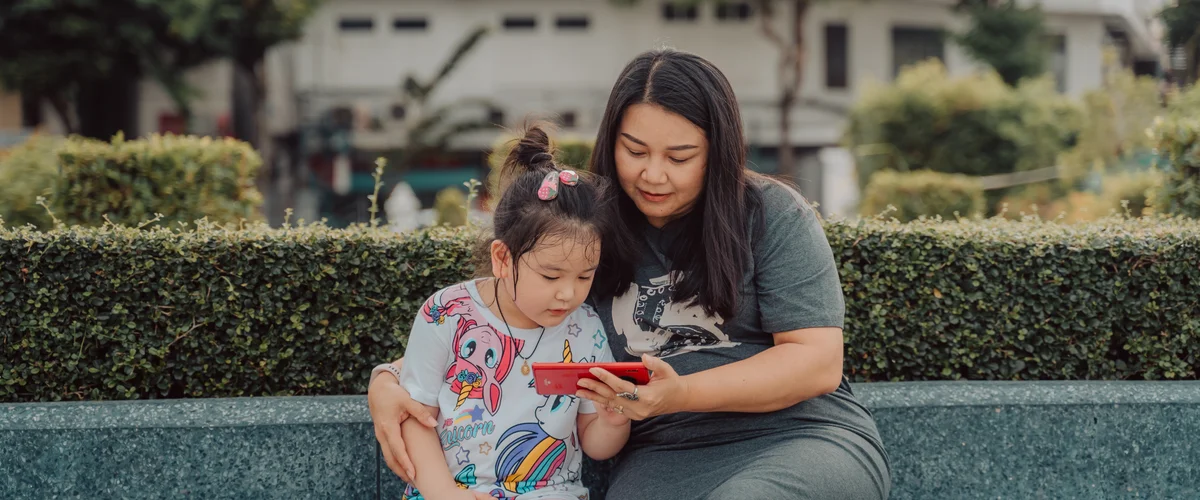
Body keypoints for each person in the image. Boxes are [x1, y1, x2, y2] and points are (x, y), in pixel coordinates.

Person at [369, 48, 892, 500]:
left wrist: (681, 392)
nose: (653, 174)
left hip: (802, 437)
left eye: (681, 156)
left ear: (718, 153)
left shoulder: (771, 213)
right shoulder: (586, 224)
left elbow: (817, 363)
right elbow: (504, 319)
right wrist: (388, 379)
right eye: (634, 151)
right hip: (663, 452)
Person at [371, 125, 635, 500]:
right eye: (550, 274)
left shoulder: (586, 328)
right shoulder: (446, 314)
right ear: (502, 258)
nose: (568, 293)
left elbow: (595, 443)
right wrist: (449, 496)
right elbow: (416, 417)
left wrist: (614, 419)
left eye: (584, 276)